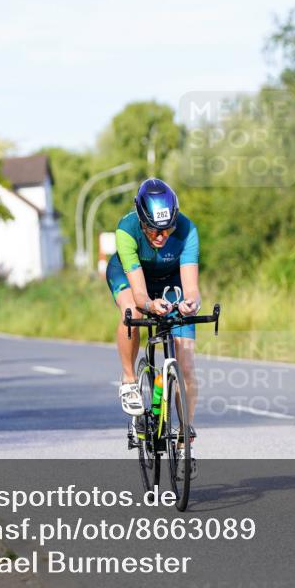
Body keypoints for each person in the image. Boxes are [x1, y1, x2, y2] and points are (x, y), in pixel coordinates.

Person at [106, 178, 203, 479]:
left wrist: (190, 304)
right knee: (132, 312)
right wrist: (150, 304)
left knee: (186, 367)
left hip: (170, 279)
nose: (161, 236)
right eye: (153, 229)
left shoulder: (187, 230)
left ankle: (184, 440)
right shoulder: (126, 229)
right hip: (132, 278)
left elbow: (192, 289)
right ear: (140, 218)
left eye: (167, 229)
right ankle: (129, 378)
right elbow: (139, 295)